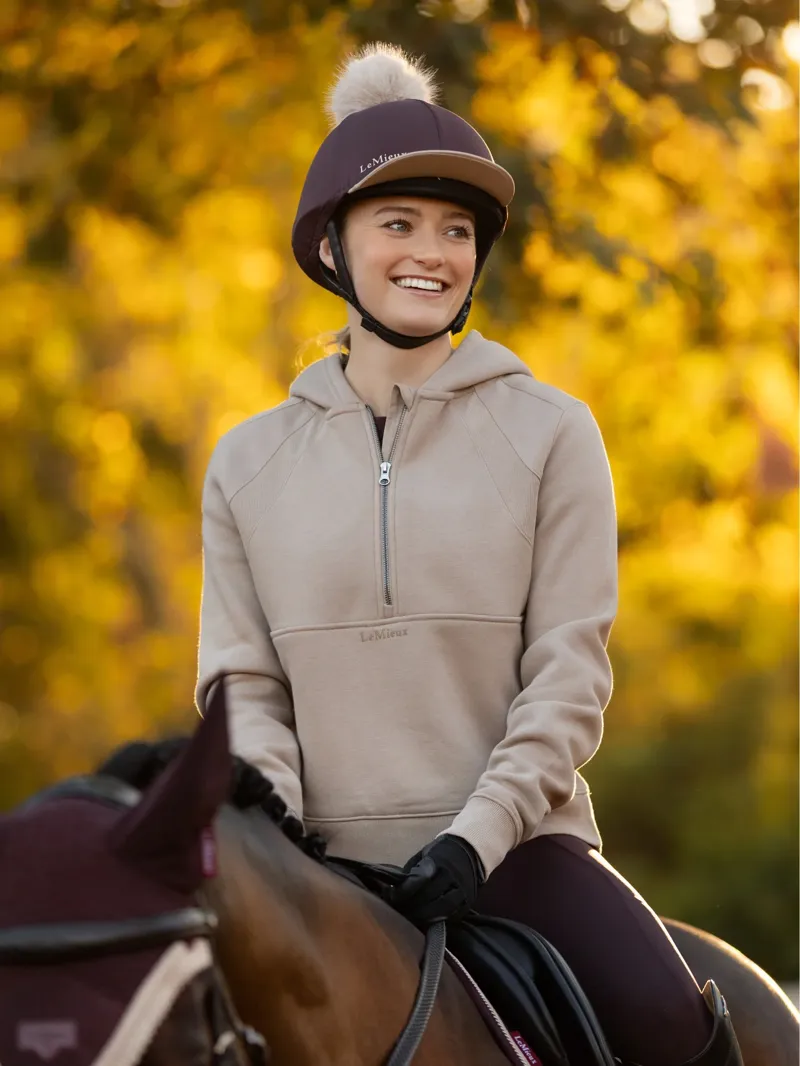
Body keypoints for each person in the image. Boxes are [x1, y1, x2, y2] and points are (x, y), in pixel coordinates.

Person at [196, 43, 743, 1066]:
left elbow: (567, 676)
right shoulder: (246, 461)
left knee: (673, 1024)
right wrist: (274, 814)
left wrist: (474, 835)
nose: (430, 252)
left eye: (456, 231)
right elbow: (239, 678)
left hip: (514, 854)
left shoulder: (549, 432)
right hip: (308, 865)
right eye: (396, 224)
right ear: (331, 246)